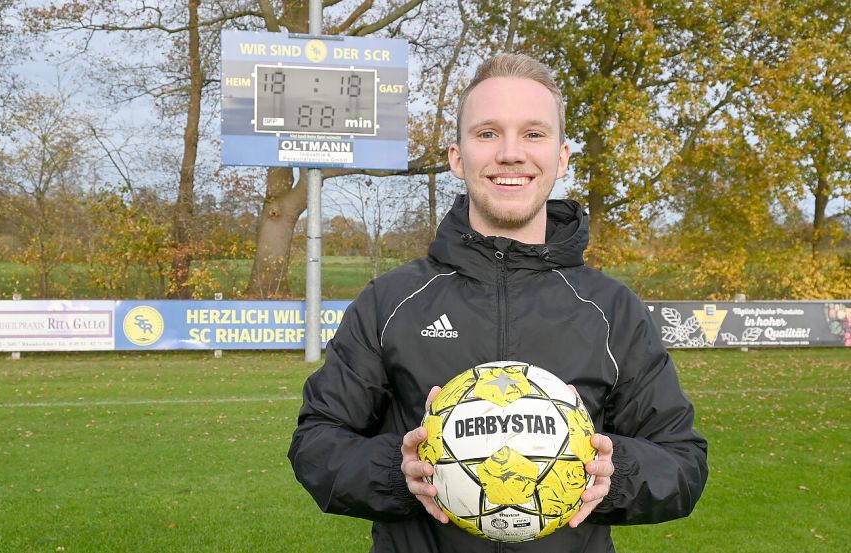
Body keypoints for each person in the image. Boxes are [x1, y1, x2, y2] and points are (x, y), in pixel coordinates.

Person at [288, 53, 707, 553]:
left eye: (534, 134)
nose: (511, 153)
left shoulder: (611, 309)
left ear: (562, 156)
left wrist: (614, 475)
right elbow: (316, 443)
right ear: (457, 157)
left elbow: (682, 461)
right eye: (487, 133)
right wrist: (396, 472)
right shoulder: (391, 301)